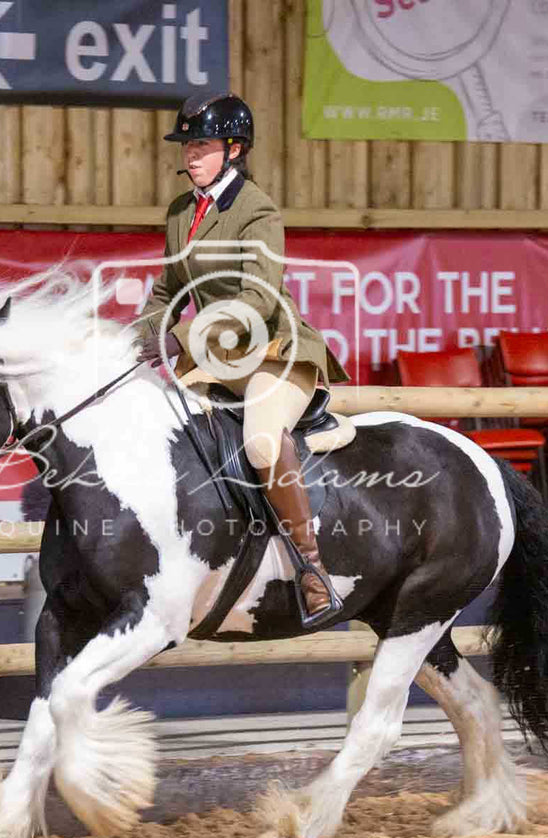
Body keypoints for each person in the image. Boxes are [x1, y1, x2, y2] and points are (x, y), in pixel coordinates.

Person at [132, 92, 350, 626]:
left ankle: (312, 570)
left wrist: (186, 336)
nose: (190, 155)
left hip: (274, 353)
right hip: (212, 360)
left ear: (234, 148)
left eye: (200, 145)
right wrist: (133, 338)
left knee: (259, 438)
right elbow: (167, 293)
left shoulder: (258, 210)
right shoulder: (182, 211)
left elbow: (257, 298)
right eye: (186, 145)